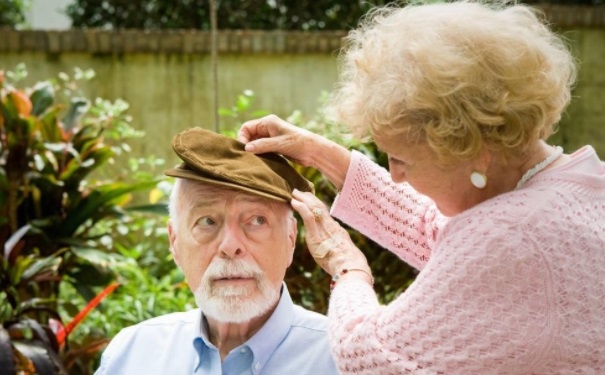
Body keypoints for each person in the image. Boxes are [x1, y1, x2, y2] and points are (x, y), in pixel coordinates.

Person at [237, 1, 605, 374]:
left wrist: (347, 268)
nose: (395, 174)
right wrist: (320, 154)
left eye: (401, 159)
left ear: (470, 149)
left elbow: (369, 357)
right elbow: (443, 236)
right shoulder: (581, 186)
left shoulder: (509, 233)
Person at [95, 128, 340, 375]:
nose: (230, 246)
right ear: (175, 241)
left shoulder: (343, 362)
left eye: (257, 220)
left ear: (291, 238)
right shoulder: (130, 356)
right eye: (207, 221)